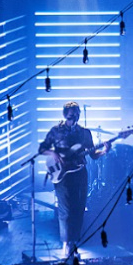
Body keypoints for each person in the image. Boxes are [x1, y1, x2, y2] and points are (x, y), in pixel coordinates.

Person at [39, 101, 111, 253]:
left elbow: (93, 155)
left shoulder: (85, 133)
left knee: (79, 208)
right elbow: (43, 148)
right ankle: (66, 242)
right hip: (62, 175)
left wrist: (104, 151)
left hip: (80, 172)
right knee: (66, 209)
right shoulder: (57, 131)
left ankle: (75, 241)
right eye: (71, 115)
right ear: (65, 115)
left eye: (76, 114)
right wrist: (54, 154)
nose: (74, 117)